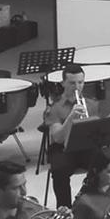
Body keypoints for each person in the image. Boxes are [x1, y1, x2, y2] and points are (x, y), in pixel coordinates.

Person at [44, 63, 97, 208]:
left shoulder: (91, 104)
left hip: (85, 145)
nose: (77, 87)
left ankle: (91, 204)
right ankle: (64, 210)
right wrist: (71, 117)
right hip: (63, 148)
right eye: (72, 83)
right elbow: (58, 137)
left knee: (105, 163)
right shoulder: (54, 107)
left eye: (80, 82)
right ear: (63, 83)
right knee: (59, 171)